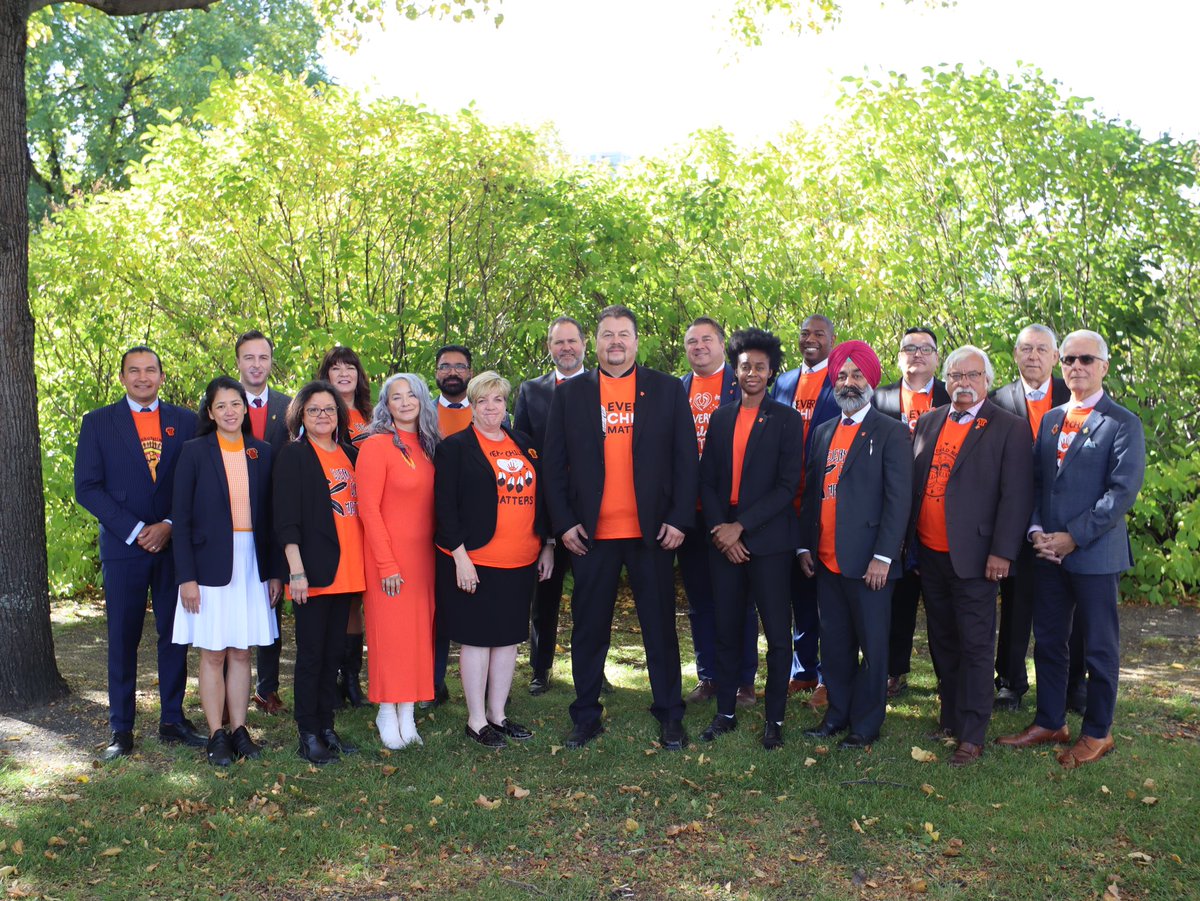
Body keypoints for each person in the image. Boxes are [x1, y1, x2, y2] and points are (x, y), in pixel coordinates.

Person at [543, 305, 697, 751]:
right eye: (607, 334)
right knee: (589, 628)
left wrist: (680, 518)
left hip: (651, 533)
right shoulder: (572, 395)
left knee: (660, 628)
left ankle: (669, 713)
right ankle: (586, 714)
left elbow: (687, 461)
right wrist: (565, 523)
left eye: (623, 334)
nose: (615, 342)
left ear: (635, 341)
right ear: (596, 342)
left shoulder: (666, 390)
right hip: (591, 536)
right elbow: (553, 467)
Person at [997, 330, 1146, 768]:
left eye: (1086, 359)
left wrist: (1074, 536)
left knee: (1099, 647)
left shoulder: (1123, 423)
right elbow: (1040, 483)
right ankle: (1050, 720)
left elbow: (1121, 494)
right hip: (1048, 555)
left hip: (1094, 555)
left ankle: (1098, 732)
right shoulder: (1051, 420)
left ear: (1103, 366)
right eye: (1070, 360)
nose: (1076, 367)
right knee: (1048, 641)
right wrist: (1038, 531)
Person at [74, 346, 203, 761]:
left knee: (174, 635)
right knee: (122, 637)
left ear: (162, 376)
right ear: (122, 377)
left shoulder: (186, 421)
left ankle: (172, 720)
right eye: (134, 371)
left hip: (172, 545)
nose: (143, 377)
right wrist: (134, 530)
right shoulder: (98, 423)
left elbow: (197, 481)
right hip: (123, 547)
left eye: (150, 370)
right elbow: (87, 487)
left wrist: (167, 524)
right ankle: (121, 728)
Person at [908, 346, 1033, 766]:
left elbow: (1016, 497)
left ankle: (973, 734)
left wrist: (1002, 552)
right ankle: (951, 716)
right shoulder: (928, 421)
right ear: (945, 380)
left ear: (987, 381)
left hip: (978, 557)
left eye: (972, 375)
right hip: (930, 553)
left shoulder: (1008, 427)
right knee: (943, 640)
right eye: (955, 375)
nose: (963, 383)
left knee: (977, 644)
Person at [799, 341, 911, 751]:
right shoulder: (824, 431)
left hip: (869, 564)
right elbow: (813, 493)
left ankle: (866, 725)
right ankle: (837, 716)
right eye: (842, 376)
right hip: (826, 561)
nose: (849, 383)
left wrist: (884, 556)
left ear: (871, 379)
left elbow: (899, 500)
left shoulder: (892, 431)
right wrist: (804, 547)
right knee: (836, 646)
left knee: (873, 648)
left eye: (857, 375)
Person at [434, 371, 554, 747]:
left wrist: (547, 544)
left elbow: (544, 497)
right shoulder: (454, 448)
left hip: (520, 560)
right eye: (482, 400)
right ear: (472, 405)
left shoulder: (524, 443)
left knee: (507, 639)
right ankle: (475, 720)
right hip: (476, 560)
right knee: (477, 640)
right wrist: (460, 557)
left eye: (498, 400)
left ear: (506, 404)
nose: (491, 407)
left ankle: (498, 715)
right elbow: (444, 508)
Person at [697, 328, 803, 749]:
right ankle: (725, 712)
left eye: (760, 367)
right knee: (726, 629)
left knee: (777, 636)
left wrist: (741, 527)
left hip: (769, 540)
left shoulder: (786, 419)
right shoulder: (721, 417)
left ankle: (773, 721)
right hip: (724, 539)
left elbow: (786, 485)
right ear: (736, 371)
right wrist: (722, 530)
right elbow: (706, 482)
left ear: (771, 371)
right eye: (745, 367)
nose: (752, 373)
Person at [170, 376, 282, 766]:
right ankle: (216, 733)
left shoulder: (262, 452)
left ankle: (239, 730)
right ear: (210, 412)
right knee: (213, 652)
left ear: (244, 408)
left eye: (236, 404)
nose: (230, 411)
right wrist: (186, 577)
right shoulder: (194, 452)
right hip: (207, 567)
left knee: (241, 650)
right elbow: (180, 520)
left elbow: (271, 520)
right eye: (222, 406)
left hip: (252, 563)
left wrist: (275, 572)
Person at [989, 324, 1085, 713]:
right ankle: (1010, 682)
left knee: (1071, 606)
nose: (1033, 356)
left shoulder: (1073, 396)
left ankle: (1073, 684)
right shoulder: (997, 400)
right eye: (1025, 349)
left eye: (1041, 349)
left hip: (1064, 521)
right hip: (1012, 519)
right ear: (1015, 355)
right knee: (1015, 602)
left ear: (1055, 357)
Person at [273, 380, 365, 765]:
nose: (323, 416)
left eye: (329, 410)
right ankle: (307, 733)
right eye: (314, 410)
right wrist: (296, 571)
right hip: (312, 572)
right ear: (301, 416)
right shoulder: (295, 455)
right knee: (311, 655)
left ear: (339, 415)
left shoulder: (349, 453)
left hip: (350, 569)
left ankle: (327, 726)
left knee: (334, 656)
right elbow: (286, 519)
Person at [357, 373, 441, 750]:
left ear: (422, 400)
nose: (405, 402)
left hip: (423, 559)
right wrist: (386, 564)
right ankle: (386, 711)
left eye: (412, 395)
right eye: (396, 397)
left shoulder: (427, 446)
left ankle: (407, 711)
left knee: (417, 636)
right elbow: (368, 510)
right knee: (390, 638)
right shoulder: (376, 446)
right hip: (387, 560)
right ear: (385, 405)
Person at [678, 316, 758, 708]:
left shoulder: (740, 382)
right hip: (689, 514)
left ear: (721, 344)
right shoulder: (677, 389)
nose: (698, 347)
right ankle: (708, 676)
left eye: (706, 340)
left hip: (731, 513)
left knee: (739, 599)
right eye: (692, 341)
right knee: (700, 600)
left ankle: (744, 680)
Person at [871, 326, 951, 697]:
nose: (917, 354)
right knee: (898, 598)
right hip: (892, 510)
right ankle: (893, 671)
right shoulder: (879, 397)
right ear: (898, 356)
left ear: (937, 357)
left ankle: (947, 675)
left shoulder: (954, 395)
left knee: (941, 604)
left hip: (938, 512)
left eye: (925, 349)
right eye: (909, 348)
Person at [513, 316, 588, 696]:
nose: (566, 349)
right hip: (545, 511)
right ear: (549, 348)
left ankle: (590, 671)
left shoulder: (602, 386)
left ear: (584, 344)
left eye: (572, 341)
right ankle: (540, 670)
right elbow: (522, 450)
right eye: (558, 343)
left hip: (593, 512)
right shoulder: (531, 390)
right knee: (544, 594)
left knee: (591, 596)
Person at [771, 315, 841, 705]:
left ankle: (830, 677)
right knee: (798, 594)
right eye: (804, 334)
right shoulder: (782, 382)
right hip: (785, 504)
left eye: (819, 334)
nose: (810, 340)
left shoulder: (843, 380)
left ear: (832, 339)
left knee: (826, 594)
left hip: (824, 500)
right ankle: (803, 669)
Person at [235, 329, 292, 716]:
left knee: (271, 604)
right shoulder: (221, 401)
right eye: (249, 358)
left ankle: (266, 689)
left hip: (275, 522)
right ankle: (229, 687)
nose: (257, 365)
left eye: (263, 358)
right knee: (232, 603)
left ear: (271, 362)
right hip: (232, 523)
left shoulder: (290, 407)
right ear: (238, 362)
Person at [316, 347, 373, 709]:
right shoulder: (320, 413)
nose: (343, 373)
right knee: (336, 596)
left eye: (349, 366)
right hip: (337, 511)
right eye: (335, 368)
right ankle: (333, 676)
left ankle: (352, 678)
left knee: (357, 600)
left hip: (370, 513)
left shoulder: (373, 414)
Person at [422, 343, 477, 710]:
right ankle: (433, 683)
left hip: (479, 526)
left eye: (460, 366)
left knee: (477, 609)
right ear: (436, 374)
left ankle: (482, 685)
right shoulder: (421, 415)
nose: (453, 372)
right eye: (445, 367)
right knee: (435, 610)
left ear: (470, 372)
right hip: (428, 524)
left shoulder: (491, 411)